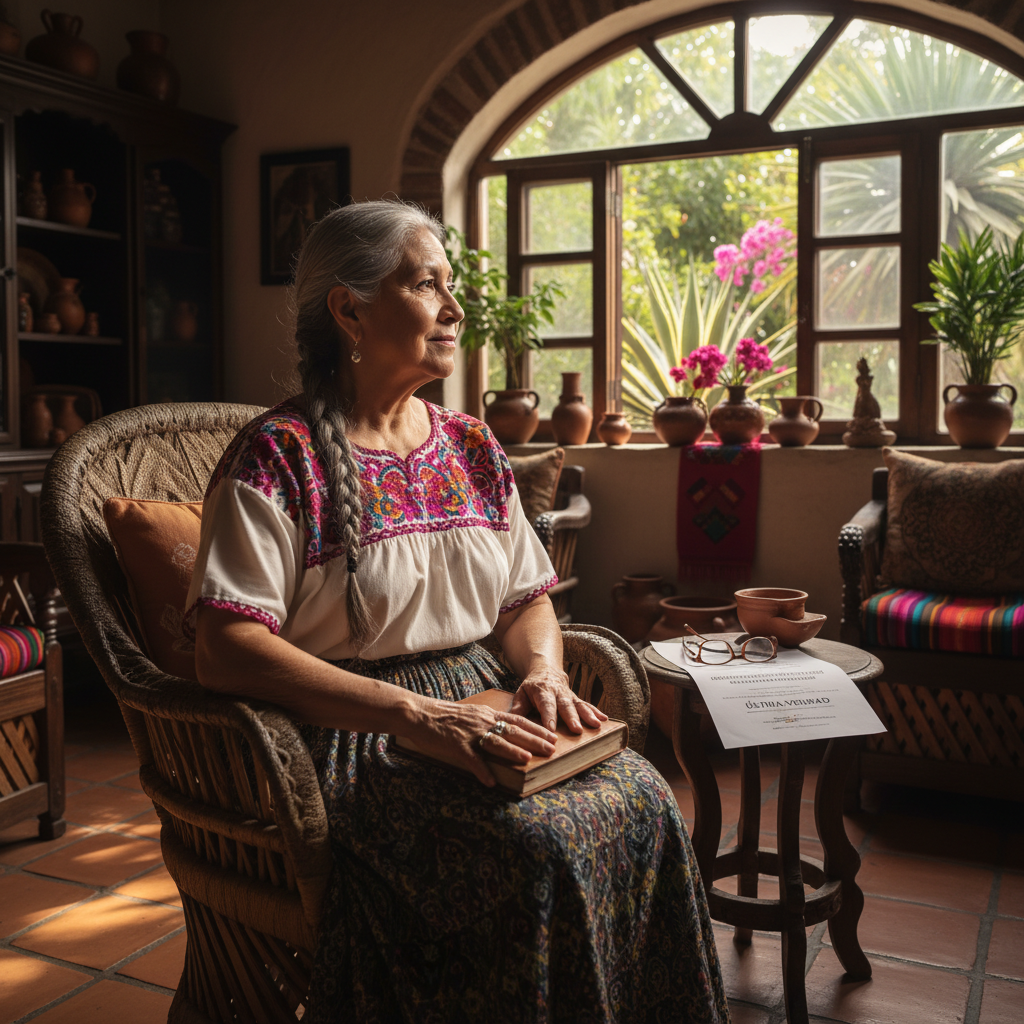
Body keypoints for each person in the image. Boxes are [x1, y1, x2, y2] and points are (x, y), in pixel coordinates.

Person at [185, 199, 729, 1024]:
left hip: (486, 697)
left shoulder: (472, 445)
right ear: (350, 309)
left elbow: (527, 598)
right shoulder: (277, 457)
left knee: (647, 804)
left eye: (449, 284)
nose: (455, 307)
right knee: (536, 848)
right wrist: (417, 717)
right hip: (353, 732)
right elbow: (224, 650)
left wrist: (542, 669)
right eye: (428, 284)